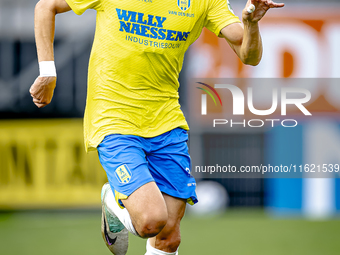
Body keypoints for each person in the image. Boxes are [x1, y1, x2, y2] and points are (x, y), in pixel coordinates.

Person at [30, 0, 284, 254]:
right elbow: (46, 6)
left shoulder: (206, 1)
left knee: (169, 236)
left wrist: (251, 24)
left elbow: (248, 55)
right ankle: (113, 200)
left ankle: (120, 202)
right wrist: (48, 73)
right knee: (151, 221)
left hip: (166, 123)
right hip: (114, 118)